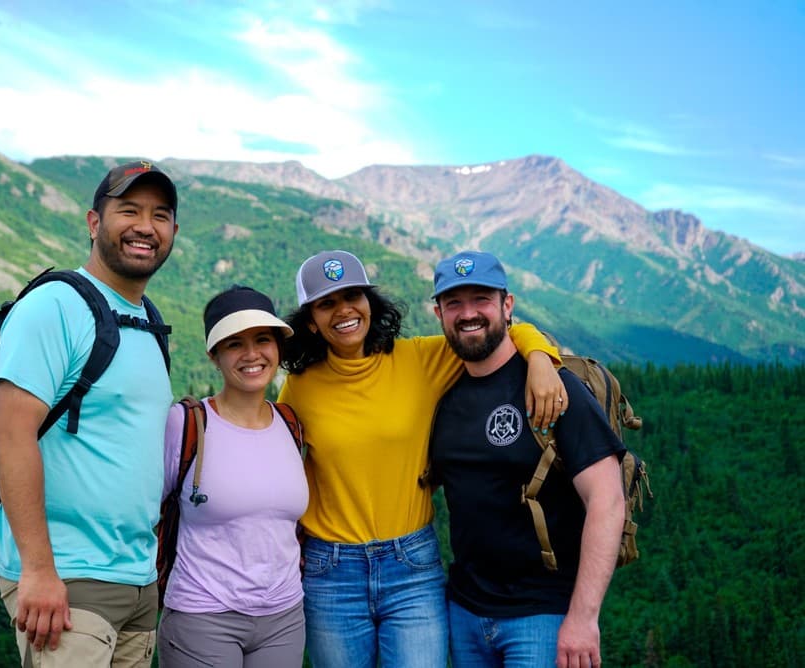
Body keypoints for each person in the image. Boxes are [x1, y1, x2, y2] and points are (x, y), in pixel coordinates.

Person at [277, 249, 566, 668]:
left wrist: (541, 359)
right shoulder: (300, 388)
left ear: (369, 303)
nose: (344, 311)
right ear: (310, 321)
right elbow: (278, 467)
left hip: (410, 568)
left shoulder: (420, 359)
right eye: (326, 303)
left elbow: (496, 332)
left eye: (352, 296)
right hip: (331, 571)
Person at [0, 161, 179, 667]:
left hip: (137, 581)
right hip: (67, 583)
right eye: (129, 211)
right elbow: (10, 436)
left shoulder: (148, 320)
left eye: (160, 215)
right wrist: (37, 570)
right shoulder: (54, 306)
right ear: (94, 223)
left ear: (174, 233)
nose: (146, 226)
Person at [427, 250, 626, 668]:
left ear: (507, 305)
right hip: (463, 612)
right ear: (439, 313)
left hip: (543, 616)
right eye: (454, 304)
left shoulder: (555, 389)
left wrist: (583, 617)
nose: (468, 314)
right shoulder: (440, 390)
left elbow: (607, 501)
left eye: (481, 299)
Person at [156, 285, 309, 667]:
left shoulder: (290, 424)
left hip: (284, 617)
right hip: (202, 615)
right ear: (214, 355)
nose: (252, 354)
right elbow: (142, 510)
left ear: (278, 347)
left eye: (262, 340)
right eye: (234, 344)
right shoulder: (188, 424)